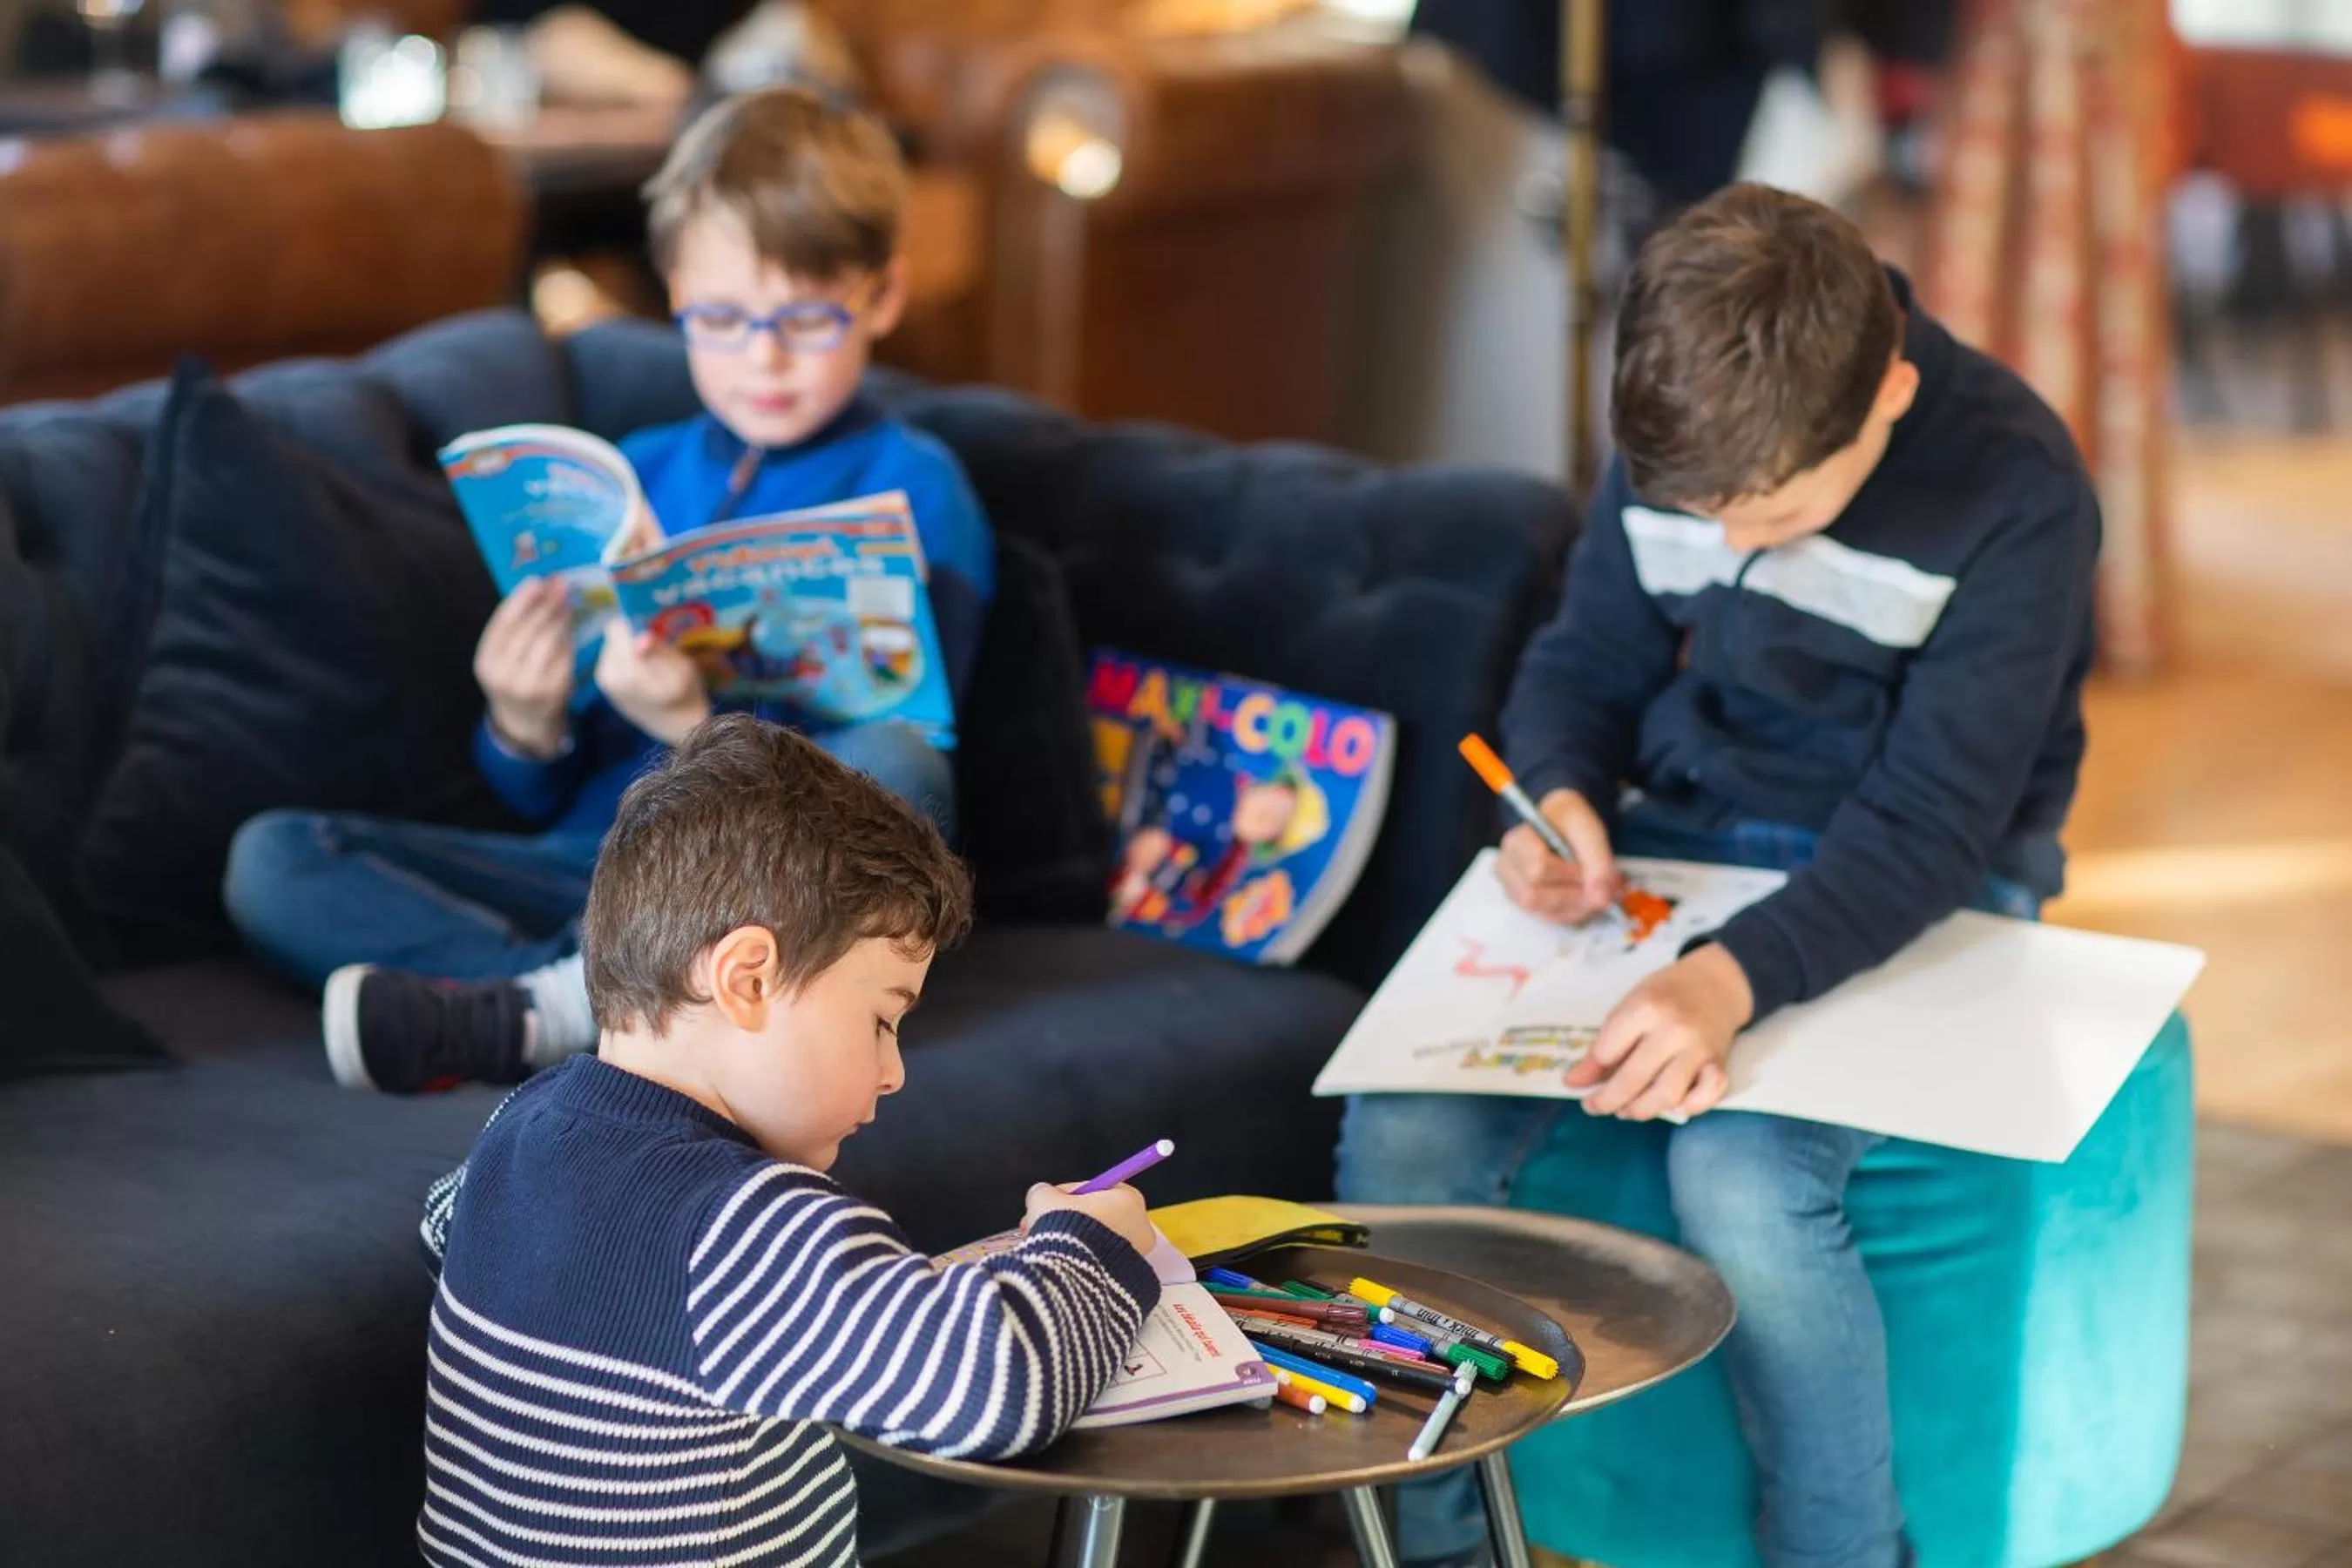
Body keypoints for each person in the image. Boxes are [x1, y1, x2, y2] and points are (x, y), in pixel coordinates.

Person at [1338, 182, 2099, 1568]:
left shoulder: (2019, 491)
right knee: (1401, 1129)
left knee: (1744, 1174)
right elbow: (1587, 657)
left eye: (1774, 515)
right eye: (1704, 514)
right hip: (1683, 843)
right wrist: (1561, 785)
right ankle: (1433, 1548)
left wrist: (1724, 983)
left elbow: (1935, 822)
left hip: (1932, 875)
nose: (1733, 547)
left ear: (1887, 399)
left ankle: (1843, 1550)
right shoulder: (1689, 420)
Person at [220, 85, 994, 1094]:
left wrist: (697, 733)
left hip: (775, 895)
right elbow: (538, 787)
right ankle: (567, 1000)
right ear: (672, 294)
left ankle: (564, 1008)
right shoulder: (633, 473)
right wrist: (522, 722)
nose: (763, 357)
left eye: (805, 319)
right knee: (274, 859)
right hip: (595, 869)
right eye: (721, 318)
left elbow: (912, 786)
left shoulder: (920, 487)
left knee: (897, 761)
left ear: (881, 298)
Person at [413, 713, 1160, 1566]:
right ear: (747, 979)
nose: (894, 1072)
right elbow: (1001, 1383)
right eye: (883, 1020)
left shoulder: (519, 1123)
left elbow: (443, 1235)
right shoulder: (746, 1221)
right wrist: (1093, 1246)